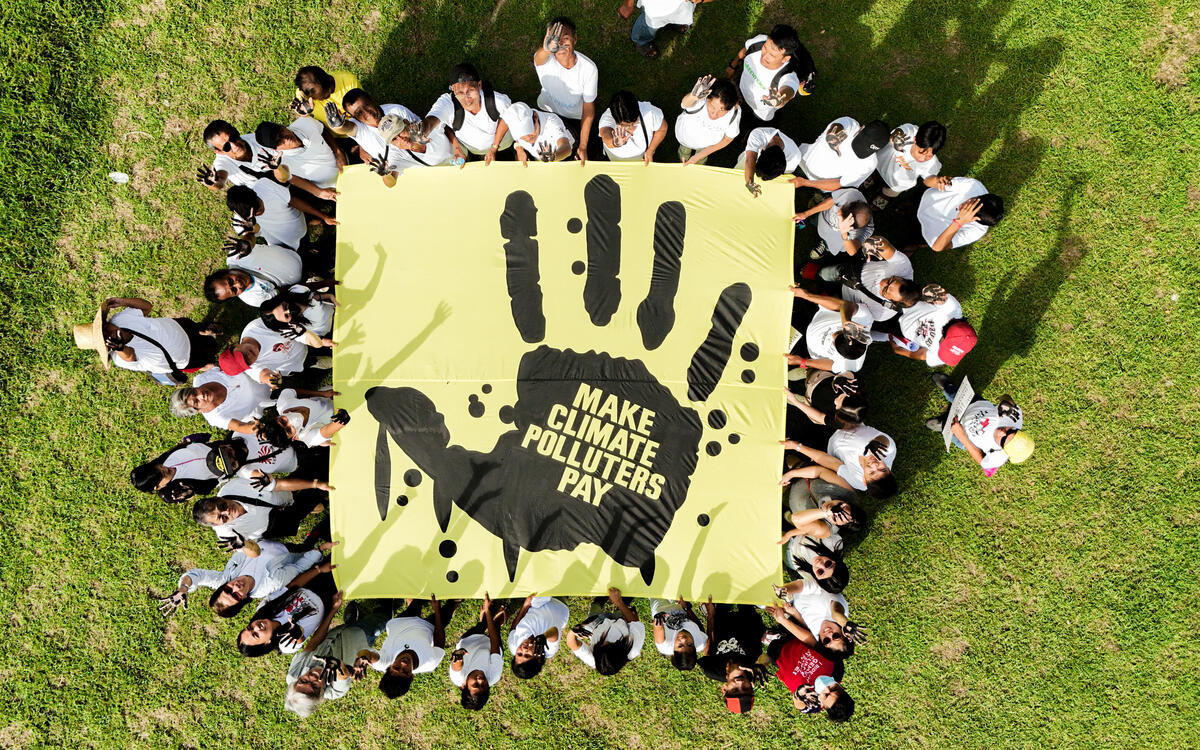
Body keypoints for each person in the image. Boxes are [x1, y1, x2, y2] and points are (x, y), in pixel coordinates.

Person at [157, 540, 334, 618]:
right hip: (287, 549)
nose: (235, 587)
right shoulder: (269, 584)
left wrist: (183, 588)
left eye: (227, 590)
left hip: (259, 536)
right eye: (235, 595)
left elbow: (197, 576)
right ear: (242, 600)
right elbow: (298, 568)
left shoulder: (224, 578)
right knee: (308, 548)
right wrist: (319, 550)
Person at [285, 592, 391, 718]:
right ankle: (386, 610)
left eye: (304, 680)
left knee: (349, 624)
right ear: (321, 693)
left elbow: (314, 642)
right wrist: (336, 665)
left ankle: (350, 621)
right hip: (360, 636)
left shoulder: (292, 676)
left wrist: (333, 610)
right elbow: (344, 674)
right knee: (381, 619)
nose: (312, 677)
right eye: (314, 685)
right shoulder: (335, 692)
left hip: (336, 632)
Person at [72, 297, 217, 383]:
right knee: (207, 362)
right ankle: (216, 365)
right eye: (104, 337)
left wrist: (123, 301)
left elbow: (147, 307)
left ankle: (208, 331)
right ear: (107, 347)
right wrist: (121, 348)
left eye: (104, 328)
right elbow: (130, 356)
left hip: (181, 328)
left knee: (199, 329)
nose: (109, 332)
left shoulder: (120, 319)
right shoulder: (120, 358)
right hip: (187, 357)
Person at [763, 604, 855, 721]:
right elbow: (809, 640)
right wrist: (784, 620)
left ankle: (773, 639)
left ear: (823, 706)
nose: (826, 688)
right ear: (842, 687)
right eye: (833, 689)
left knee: (770, 651)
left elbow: (799, 707)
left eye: (826, 695)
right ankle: (779, 635)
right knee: (784, 632)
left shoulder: (813, 704)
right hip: (793, 641)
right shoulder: (836, 668)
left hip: (780, 660)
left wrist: (798, 696)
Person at [925, 374, 1034, 474]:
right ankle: (947, 387)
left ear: (1003, 450)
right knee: (954, 394)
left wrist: (960, 434)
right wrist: (1005, 403)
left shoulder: (998, 458)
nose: (1002, 432)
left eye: (1003, 439)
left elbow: (981, 460)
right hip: (972, 404)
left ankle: (943, 424)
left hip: (965, 435)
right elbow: (1005, 397)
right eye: (1009, 430)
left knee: (951, 430)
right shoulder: (1014, 417)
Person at [192, 473, 331, 544]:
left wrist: (315, 484)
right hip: (275, 524)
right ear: (217, 525)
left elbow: (276, 484)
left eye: (222, 506)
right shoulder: (227, 536)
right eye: (222, 518)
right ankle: (310, 505)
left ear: (219, 498)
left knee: (320, 475)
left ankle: (308, 500)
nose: (226, 511)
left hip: (279, 494)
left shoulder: (231, 487)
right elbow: (254, 553)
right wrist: (245, 545)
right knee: (304, 507)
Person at [359, 597, 454, 698]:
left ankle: (411, 601)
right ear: (411, 677)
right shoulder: (430, 662)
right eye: (405, 671)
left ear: (388, 668)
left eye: (396, 667)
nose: (403, 664)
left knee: (417, 598)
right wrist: (437, 610)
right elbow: (439, 641)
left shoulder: (383, 663)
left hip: (403, 622)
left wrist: (362, 657)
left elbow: (368, 655)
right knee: (449, 609)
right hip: (429, 628)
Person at [533, 17, 598, 163]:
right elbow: (538, 58)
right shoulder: (544, 60)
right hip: (546, 111)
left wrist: (583, 145)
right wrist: (546, 49)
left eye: (565, 38)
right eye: (555, 39)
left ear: (575, 39)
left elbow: (588, 107)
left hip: (573, 118)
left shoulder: (589, 69)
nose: (559, 44)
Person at [238, 562, 336, 657]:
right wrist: (334, 609)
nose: (256, 627)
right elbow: (305, 638)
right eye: (256, 635)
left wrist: (319, 570)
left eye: (250, 627)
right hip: (329, 599)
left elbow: (293, 585)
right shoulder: (285, 645)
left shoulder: (263, 609)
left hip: (313, 581)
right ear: (266, 643)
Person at [725, 24, 814, 127]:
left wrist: (780, 100)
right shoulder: (759, 41)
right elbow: (746, 49)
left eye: (772, 55)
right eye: (765, 48)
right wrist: (733, 65)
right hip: (742, 92)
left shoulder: (788, 76)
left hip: (760, 113)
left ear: (785, 59)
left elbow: (788, 90)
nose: (764, 56)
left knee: (750, 126)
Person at [426, 63, 515, 164]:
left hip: (504, 145)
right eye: (460, 93)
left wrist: (494, 148)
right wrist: (456, 148)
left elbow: (509, 117)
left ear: (479, 85)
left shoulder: (498, 101)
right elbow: (436, 120)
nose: (467, 99)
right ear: (453, 90)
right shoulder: (447, 104)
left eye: (471, 90)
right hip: (472, 151)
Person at [788, 423, 897, 499]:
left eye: (872, 472)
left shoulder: (858, 482)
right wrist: (875, 444)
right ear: (890, 470)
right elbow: (884, 441)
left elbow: (832, 463)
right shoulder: (887, 450)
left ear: (864, 481)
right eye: (882, 469)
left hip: (827, 446)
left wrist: (797, 447)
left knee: (793, 435)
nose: (874, 465)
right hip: (839, 424)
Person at [879, 284, 977, 368]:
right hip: (904, 307)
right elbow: (937, 295)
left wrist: (900, 351)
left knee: (877, 325)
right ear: (945, 330)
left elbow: (923, 355)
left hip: (899, 331)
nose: (940, 347)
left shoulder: (947, 355)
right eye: (943, 344)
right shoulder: (952, 310)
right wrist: (936, 295)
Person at [695, 601, 768, 714]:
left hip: (721, 619)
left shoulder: (712, 670)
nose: (740, 683)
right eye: (745, 688)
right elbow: (767, 658)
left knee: (720, 602)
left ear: (724, 688)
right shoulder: (752, 661)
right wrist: (761, 664)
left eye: (734, 689)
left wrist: (710, 616)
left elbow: (709, 642)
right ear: (751, 686)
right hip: (745, 617)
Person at [770, 579, 865, 661]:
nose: (829, 634)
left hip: (792, 595)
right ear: (844, 632)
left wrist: (794, 613)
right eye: (836, 636)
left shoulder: (819, 635)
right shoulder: (839, 610)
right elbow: (836, 612)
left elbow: (808, 626)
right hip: (804, 572)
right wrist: (845, 623)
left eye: (827, 641)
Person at [792, 117, 889, 192]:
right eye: (860, 143)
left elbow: (841, 184)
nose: (857, 151)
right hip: (800, 161)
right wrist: (833, 136)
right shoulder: (849, 124)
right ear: (861, 128)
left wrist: (806, 183)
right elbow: (837, 126)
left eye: (866, 149)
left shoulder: (870, 163)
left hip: (820, 185)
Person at [325, 89, 417, 167]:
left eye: (367, 106)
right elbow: (345, 128)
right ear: (354, 117)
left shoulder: (397, 111)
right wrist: (337, 125)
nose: (368, 113)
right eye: (359, 113)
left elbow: (422, 133)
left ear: (372, 100)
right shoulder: (358, 128)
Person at [253, 119, 342, 200]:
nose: (285, 138)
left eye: (281, 132)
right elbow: (287, 178)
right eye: (279, 141)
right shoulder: (282, 161)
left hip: (347, 164)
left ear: (282, 126)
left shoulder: (305, 123)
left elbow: (322, 129)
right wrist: (319, 192)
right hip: (335, 188)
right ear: (275, 149)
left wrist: (339, 153)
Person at [869, 121, 947, 209]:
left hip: (896, 185)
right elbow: (895, 134)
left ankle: (881, 200)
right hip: (880, 167)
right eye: (920, 152)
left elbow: (927, 180)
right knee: (871, 178)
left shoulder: (933, 164)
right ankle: (869, 182)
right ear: (914, 140)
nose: (922, 159)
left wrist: (936, 181)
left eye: (928, 156)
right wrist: (895, 137)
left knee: (886, 195)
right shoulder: (908, 132)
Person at [787, 294, 874, 374]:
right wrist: (845, 319)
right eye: (837, 333)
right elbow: (845, 305)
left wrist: (802, 361)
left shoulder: (853, 365)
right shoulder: (865, 320)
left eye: (834, 342)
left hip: (804, 347)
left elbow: (831, 365)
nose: (832, 336)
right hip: (812, 317)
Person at [566, 587, 644, 675]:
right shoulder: (633, 647)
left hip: (596, 626)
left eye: (600, 645)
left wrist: (573, 632)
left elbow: (573, 645)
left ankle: (601, 598)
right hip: (620, 622)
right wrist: (618, 601)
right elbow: (634, 622)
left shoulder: (594, 659)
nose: (605, 641)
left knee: (595, 606)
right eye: (608, 643)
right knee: (625, 601)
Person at [367, 113, 460, 187]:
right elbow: (391, 183)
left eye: (400, 131)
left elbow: (445, 127)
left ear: (407, 123)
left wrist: (457, 148)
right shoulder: (398, 155)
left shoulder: (425, 127)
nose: (401, 139)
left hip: (464, 149)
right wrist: (385, 175)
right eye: (394, 139)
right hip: (455, 174)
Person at [169, 366, 271, 433]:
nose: (201, 395)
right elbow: (239, 427)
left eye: (195, 392)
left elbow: (218, 367)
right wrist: (253, 429)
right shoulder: (216, 418)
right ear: (198, 411)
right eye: (197, 402)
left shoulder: (201, 379)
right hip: (267, 397)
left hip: (260, 372)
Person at [839, 235, 916, 322]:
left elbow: (856, 315)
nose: (882, 283)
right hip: (853, 268)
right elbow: (886, 246)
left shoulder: (881, 313)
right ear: (902, 279)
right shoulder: (903, 268)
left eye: (885, 290)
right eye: (890, 280)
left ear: (891, 302)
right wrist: (876, 243)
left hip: (844, 298)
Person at [219, 315, 312, 385]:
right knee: (312, 362)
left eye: (242, 355)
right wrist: (270, 380)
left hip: (306, 336)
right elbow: (263, 375)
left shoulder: (256, 328)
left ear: (234, 346)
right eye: (247, 362)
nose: (249, 356)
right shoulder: (251, 368)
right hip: (300, 363)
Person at [917, 176, 1004, 251]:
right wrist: (937, 180)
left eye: (970, 210)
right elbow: (927, 181)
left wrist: (959, 222)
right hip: (926, 200)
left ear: (976, 219)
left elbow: (937, 247)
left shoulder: (976, 231)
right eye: (972, 200)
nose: (964, 206)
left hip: (924, 230)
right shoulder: (973, 186)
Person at [449, 594, 505, 710]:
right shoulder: (494, 675)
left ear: (464, 686)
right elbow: (494, 642)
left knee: (481, 626)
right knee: (495, 630)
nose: (480, 680)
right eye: (484, 685)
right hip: (491, 644)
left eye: (475, 685)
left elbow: (456, 665)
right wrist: (488, 611)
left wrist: (458, 655)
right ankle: (496, 624)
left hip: (470, 640)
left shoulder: (458, 677)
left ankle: (483, 622)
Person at [203, 243, 304, 307]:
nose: (238, 284)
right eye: (234, 290)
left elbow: (250, 238)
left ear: (224, 272)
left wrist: (248, 240)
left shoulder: (236, 254)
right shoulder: (253, 299)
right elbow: (282, 292)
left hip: (294, 248)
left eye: (230, 280)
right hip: (302, 278)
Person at [130, 433, 220, 504]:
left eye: (160, 467)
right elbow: (205, 488)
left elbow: (178, 448)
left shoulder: (162, 461)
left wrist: (190, 442)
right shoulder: (174, 489)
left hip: (217, 448)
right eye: (163, 474)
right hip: (224, 467)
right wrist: (189, 491)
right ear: (158, 487)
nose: (165, 469)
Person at [675, 75, 741, 165]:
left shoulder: (734, 112)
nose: (714, 114)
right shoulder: (700, 101)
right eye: (712, 106)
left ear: (730, 108)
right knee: (684, 152)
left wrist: (700, 156)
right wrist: (692, 97)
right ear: (707, 98)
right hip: (685, 139)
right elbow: (685, 104)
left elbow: (727, 138)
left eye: (722, 110)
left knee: (700, 161)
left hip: (706, 146)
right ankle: (682, 157)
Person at [793, 188, 875, 260]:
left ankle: (825, 245)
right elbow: (830, 202)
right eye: (842, 212)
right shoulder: (851, 195)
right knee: (813, 219)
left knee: (830, 244)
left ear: (852, 228)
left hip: (835, 239)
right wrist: (806, 213)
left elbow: (852, 251)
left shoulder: (864, 231)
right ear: (850, 204)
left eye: (841, 218)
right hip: (823, 218)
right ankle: (805, 220)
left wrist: (844, 233)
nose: (838, 213)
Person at [619, 0, 714, 58]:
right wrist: (628, 4)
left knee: (680, 17)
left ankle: (677, 22)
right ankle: (640, 40)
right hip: (656, 8)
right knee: (648, 25)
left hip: (684, 6)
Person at [507, 595, 571, 679]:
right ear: (538, 659)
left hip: (535, 604)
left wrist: (525, 606)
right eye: (527, 655)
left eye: (519, 654)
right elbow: (554, 632)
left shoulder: (513, 646)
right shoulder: (548, 650)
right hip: (558, 604)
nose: (524, 650)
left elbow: (513, 629)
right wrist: (544, 637)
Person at [195, 120, 270, 190]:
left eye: (233, 137)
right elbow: (220, 181)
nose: (234, 145)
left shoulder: (258, 140)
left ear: (236, 131)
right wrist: (213, 183)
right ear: (219, 152)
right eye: (227, 147)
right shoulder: (222, 162)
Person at [597, 90, 667, 164]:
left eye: (634, 122)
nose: (630, 127)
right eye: (626, 125)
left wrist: (650, 150)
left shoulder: (650, 112)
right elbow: (605, 134)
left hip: (641, 160)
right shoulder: (607, 118)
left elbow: (662, 129)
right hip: (615, 160)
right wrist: (615, 143)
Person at [258, 284, 336, 347]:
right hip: (335, 329)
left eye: (285, 306)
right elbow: (318, 344)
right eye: (286, 316)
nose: (288, 310)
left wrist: (329, 296)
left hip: (336, 307)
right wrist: (306, 332)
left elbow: (316, 295)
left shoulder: (296, 291)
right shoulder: (294, 330)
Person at [501, 102, 575, 166]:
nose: (527, 139)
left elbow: (566, 147)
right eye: (522, 136)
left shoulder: (552, 122)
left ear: (535, 117)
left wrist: (554, 157)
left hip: (564, 158)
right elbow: (517, 140)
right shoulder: (513, 122)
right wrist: (519, 149)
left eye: (529, 132)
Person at [739, 126, 803, 197]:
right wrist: (749, 183)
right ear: (761, 153)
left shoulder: (794, 158)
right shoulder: (758, 135)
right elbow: (749, 159)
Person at [291, 65, 360, 130]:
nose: (321, 100)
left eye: (325, 96)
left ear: (330, 79)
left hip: (355, 129)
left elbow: (361, 111)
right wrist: (304, 113)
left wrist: (342, 125)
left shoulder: (349, 83)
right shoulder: (305, 98)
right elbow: (300, 96)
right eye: (316, 98)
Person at [649, 598, 709, 670]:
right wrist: (686, 608)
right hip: (680, 609)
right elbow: (698, 627)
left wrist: (659, 618)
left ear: (673, 651)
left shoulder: (665, 645)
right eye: (690, 644)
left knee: (655, 591)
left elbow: (658, 627)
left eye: (680, 645)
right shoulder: (701, 643)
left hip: (662, 608)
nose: (684, 639)